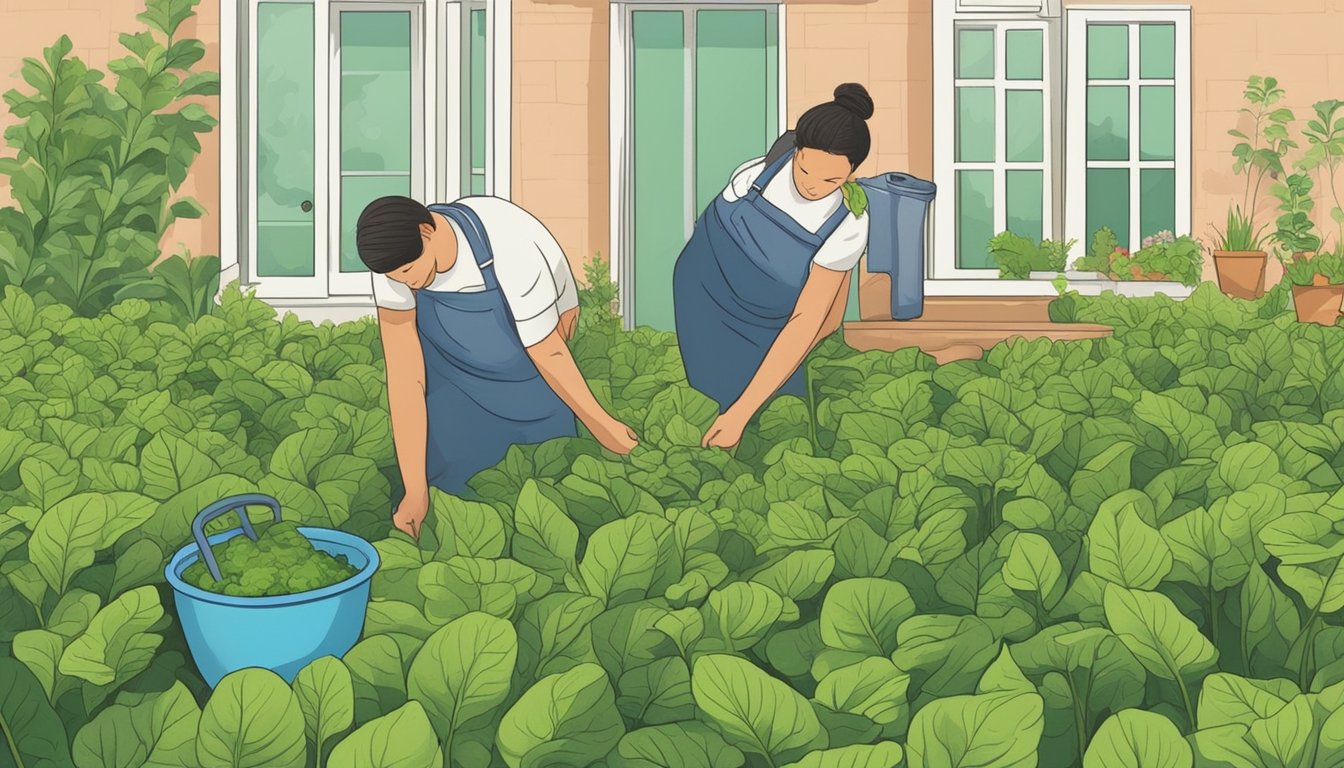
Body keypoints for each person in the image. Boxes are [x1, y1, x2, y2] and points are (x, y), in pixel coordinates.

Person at [357, 195, 640, 537]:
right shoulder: (394, 264)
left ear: (426, 232)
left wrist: (604, 426)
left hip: (533, 363)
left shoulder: (509, 244)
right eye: (396, 277)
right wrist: (414, 489)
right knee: (451, 483)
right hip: (452, 372)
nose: (407, 283)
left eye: (408, 271)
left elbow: (550, 351)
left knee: (547, 486)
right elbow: (404, 377)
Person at [673, 83, 874, 450]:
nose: (812, 186)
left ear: (851, 173)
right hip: (704, 296)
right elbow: (711, 233)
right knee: (703, 391)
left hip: (769, 322)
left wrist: (741, 412)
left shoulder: (848, 223)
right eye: (806, 170)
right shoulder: (757, 174)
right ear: (796, 151)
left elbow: (809, 319)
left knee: (770, 415)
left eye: (831, 180)